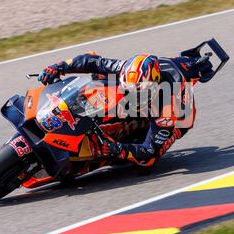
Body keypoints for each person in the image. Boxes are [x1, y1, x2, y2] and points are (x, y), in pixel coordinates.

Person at [38, 51, 213, 173]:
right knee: (100, 79)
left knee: (145, 162)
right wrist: (58, 67)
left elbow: (149, 152)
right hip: (155, 83)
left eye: (139, 93)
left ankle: (112, 148)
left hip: (179, 117)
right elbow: (93, 61)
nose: (132, 97)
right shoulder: (126, 69)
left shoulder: (168, 110)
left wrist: (117, 148)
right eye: (130, 91)